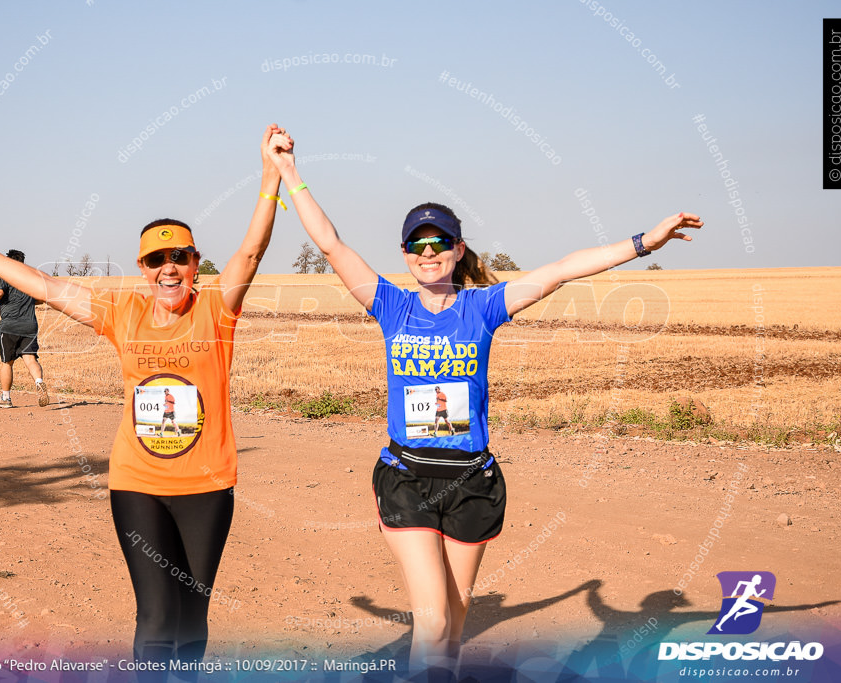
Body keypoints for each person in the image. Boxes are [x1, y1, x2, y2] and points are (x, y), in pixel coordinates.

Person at [265, 128, 702, 677]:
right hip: (408, 478)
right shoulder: (391, 306)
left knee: (454, 620)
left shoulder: (483, 308)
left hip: (471, 481)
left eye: (439, 243)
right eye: (418, 245)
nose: (429, 253)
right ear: (404, 254)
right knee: (431, 624)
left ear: (457, 250)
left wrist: (645, 243)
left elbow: (563, 270)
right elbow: (330, 243)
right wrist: (288, 172)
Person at [0, 124, 290, 671]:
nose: (167, 267)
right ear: (142, 268)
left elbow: (252, 250)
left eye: (180, 256)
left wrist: (270, 176)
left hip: (207, 486)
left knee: (192, 615)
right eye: (155, 259)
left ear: (196, 263)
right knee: (154, 615)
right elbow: (47, 287)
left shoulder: (217, 310)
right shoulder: (122, 312)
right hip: (135, 484)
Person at [0, 249, 49, 408]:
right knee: (30, 359)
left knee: (7, 362)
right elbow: (40, 299)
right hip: (30, 326)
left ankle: (5, 398)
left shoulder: (5, 275)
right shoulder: (29, 278)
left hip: (10, 326)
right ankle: (39, 382)